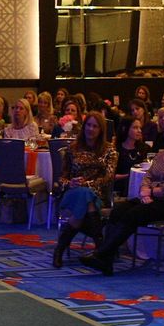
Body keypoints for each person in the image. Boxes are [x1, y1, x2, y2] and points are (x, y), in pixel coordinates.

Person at [80, 113, 164, 276]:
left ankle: (102, 255)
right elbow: (148, 176)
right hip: (156, 199)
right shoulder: (162, 154)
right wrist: (145, 191)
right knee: (119, 209)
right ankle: (106, 259)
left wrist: (151, 191)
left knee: (135, 213)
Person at [52, 112, 117, 269]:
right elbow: (62, 178)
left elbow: (108, 178)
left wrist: (86, 185)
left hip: (97, 195)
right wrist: (70, 183)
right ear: (84, 127)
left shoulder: (109, 150)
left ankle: (59, 249)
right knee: (84, 196)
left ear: (101, 130)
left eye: (95, 126)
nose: (91, 129)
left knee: (86, 198)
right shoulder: (72, 149)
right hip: (72, 193)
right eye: (88, 125)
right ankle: (101, 250)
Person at [113, 118, 149, 196]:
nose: (139, 131)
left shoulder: (144, 148)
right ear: (125, 128)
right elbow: (111, 176)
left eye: (140, 128)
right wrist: (131, 175)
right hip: (120, 188)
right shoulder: (115, 149)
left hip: (141, 186)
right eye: (135, 128)